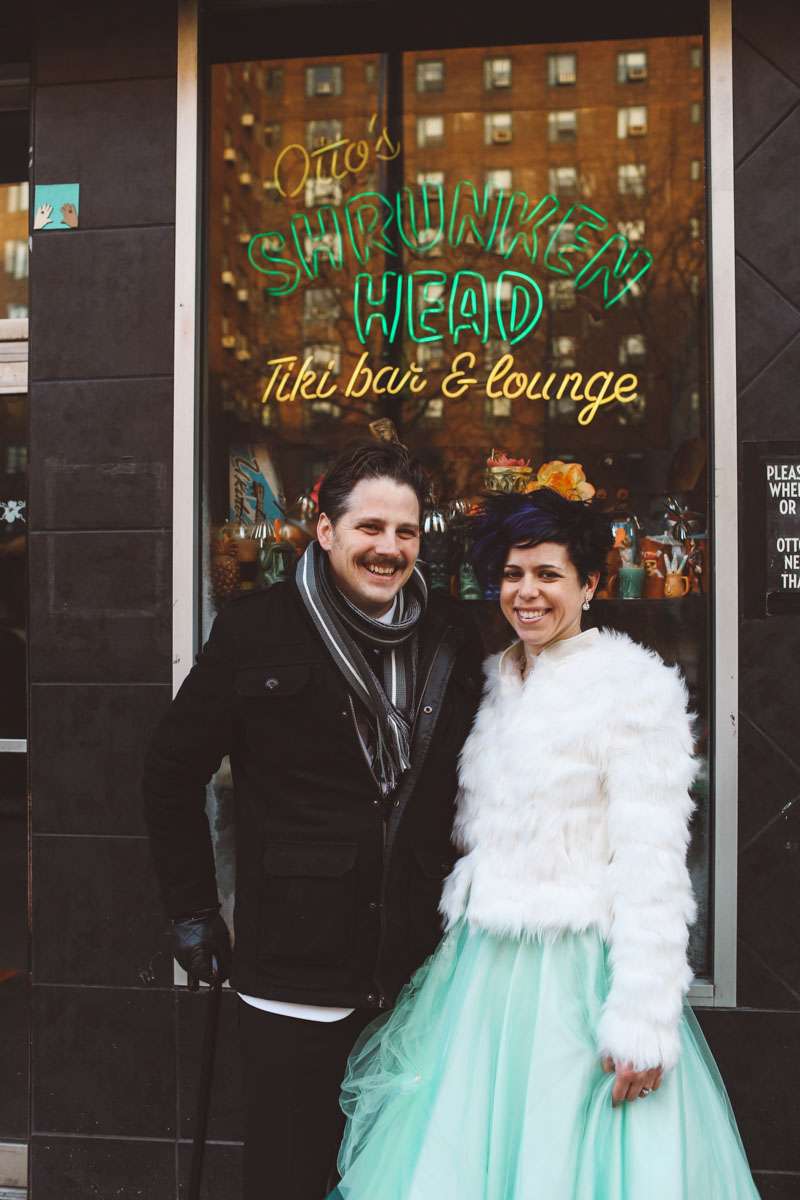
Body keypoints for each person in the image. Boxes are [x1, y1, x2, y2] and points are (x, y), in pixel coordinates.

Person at [326, 487, 759, 1199]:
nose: (526, 593)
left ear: (589, 585)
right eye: (512, 574)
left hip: (575, 974)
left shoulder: (634, 688)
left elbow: (653, 866)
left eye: (548, 575)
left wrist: (643, 1019)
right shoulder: (497, 678)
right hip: (481, 972)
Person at [142, 440, 483, 1200]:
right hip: (292, 971)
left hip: (415, 972)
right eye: (370, 527)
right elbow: (169, 772)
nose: (389, 548)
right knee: (288, 1179)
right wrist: (193, 910)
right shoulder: (255, 629)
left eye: (405, 531)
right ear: (325, 530)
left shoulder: (452, 633)